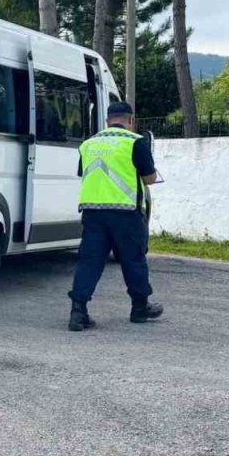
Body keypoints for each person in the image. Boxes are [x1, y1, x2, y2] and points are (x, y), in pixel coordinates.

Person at [68, 101, 164, 331]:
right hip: (126, 213)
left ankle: (78, 311)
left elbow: (84, 173)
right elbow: (149, 178)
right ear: (131, 121)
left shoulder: (88, 144)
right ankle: (140, 308)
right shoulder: (135, 142)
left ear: (107, 121)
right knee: (134, 260)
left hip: (93, 213)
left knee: (89, 262)